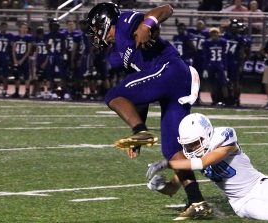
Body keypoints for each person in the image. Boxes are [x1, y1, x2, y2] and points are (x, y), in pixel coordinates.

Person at [86, 2, 211, 220]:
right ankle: (197, 201)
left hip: (170, 70)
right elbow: (140, 96)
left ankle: (142, 131)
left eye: (96, 28)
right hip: (170, 84)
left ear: (105, 21)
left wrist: (148, 24)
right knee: (172, 150)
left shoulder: (125, 22)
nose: (96, 34)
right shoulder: (116, 56)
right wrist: (138, 133)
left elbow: (166, 8)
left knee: (113, 95)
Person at [146, 113, 268, 221]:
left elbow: (203, 162)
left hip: (261, 185)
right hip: (242, 202)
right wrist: (160, 186)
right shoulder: (191, 157)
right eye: (188, 145)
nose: (192, 149)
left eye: (195, 143)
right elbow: (173, 187)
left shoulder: (223, 140)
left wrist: (167, 163)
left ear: (208, 133)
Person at [203, 27, 228, 106]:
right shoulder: (206, 43)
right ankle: (214, 100)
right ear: (210, 34)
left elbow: (224, 56)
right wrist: (205, 69)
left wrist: (225, 68)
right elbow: (206, 56)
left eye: (216, 33)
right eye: (213, 33)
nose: (214, 34)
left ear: (218, 34)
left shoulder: (223, 42)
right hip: (211, 65)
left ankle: (225, 100)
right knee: (212, 84)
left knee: (223, 84)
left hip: (220, 65)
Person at [11, 22, 33, 98]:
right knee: (16, 76)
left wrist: (22, 60)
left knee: (26, 77)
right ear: (19, 28)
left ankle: (27, 92)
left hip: (25, 60)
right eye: (22, 27)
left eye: (25, 28)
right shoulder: (15, 37)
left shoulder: (29, 37)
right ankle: (17, 91)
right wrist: (15, 59)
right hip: (17, 59)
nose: (24, 29)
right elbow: (13, 49)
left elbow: (29, 50)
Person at [0, 22, 13, 97]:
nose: (4, 28)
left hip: (5, 57)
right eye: (3, 27)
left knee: (5, 76)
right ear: (0, 27)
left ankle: (5, 91)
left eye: (5, 27)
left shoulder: (9, 36)